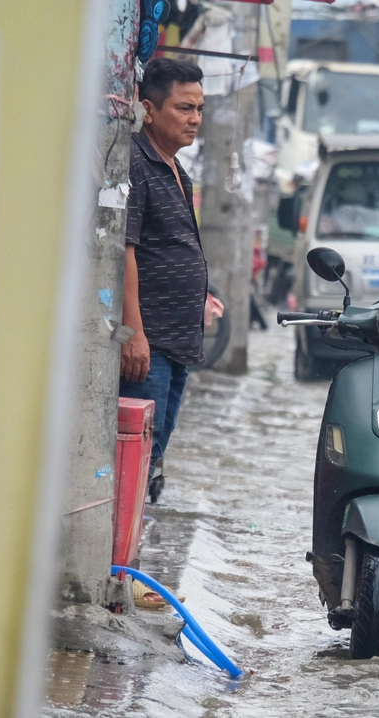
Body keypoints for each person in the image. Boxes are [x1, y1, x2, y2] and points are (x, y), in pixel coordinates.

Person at [120, 58, 209, 503]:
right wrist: (133, 332)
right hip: (148, 345)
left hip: (177, 345)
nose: (195, 119)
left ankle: (133, 540)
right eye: (184, 108)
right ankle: (116, 546)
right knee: (134, 457)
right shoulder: (136, 164)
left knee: (150, 457)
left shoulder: (176, 169)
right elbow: (124, 250)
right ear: (149, 110)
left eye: (199, 109)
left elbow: (172, 247)